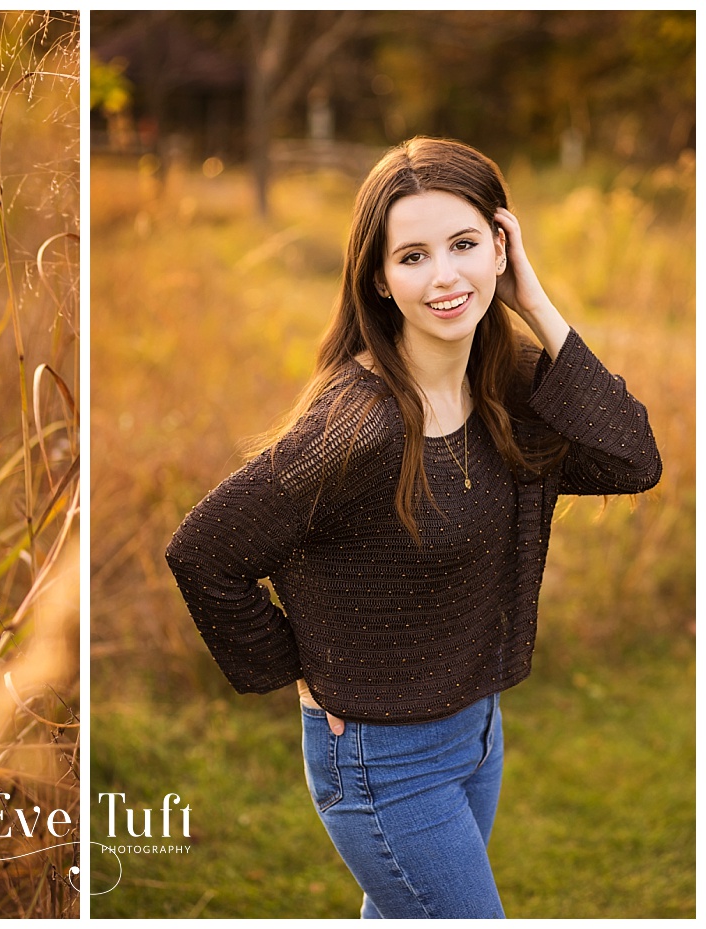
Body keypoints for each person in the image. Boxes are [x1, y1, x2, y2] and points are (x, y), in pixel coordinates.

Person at [165, 137, 659, 918]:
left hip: (476, 731)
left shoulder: (510, 383)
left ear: (501, 244)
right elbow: (203, 551)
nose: (444, 276)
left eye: (465, 245)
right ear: (381, 280)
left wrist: (534, 300)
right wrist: (300, 666)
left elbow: (633, 459)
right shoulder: (355, 427)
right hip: (381, 759)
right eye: (413, 256)